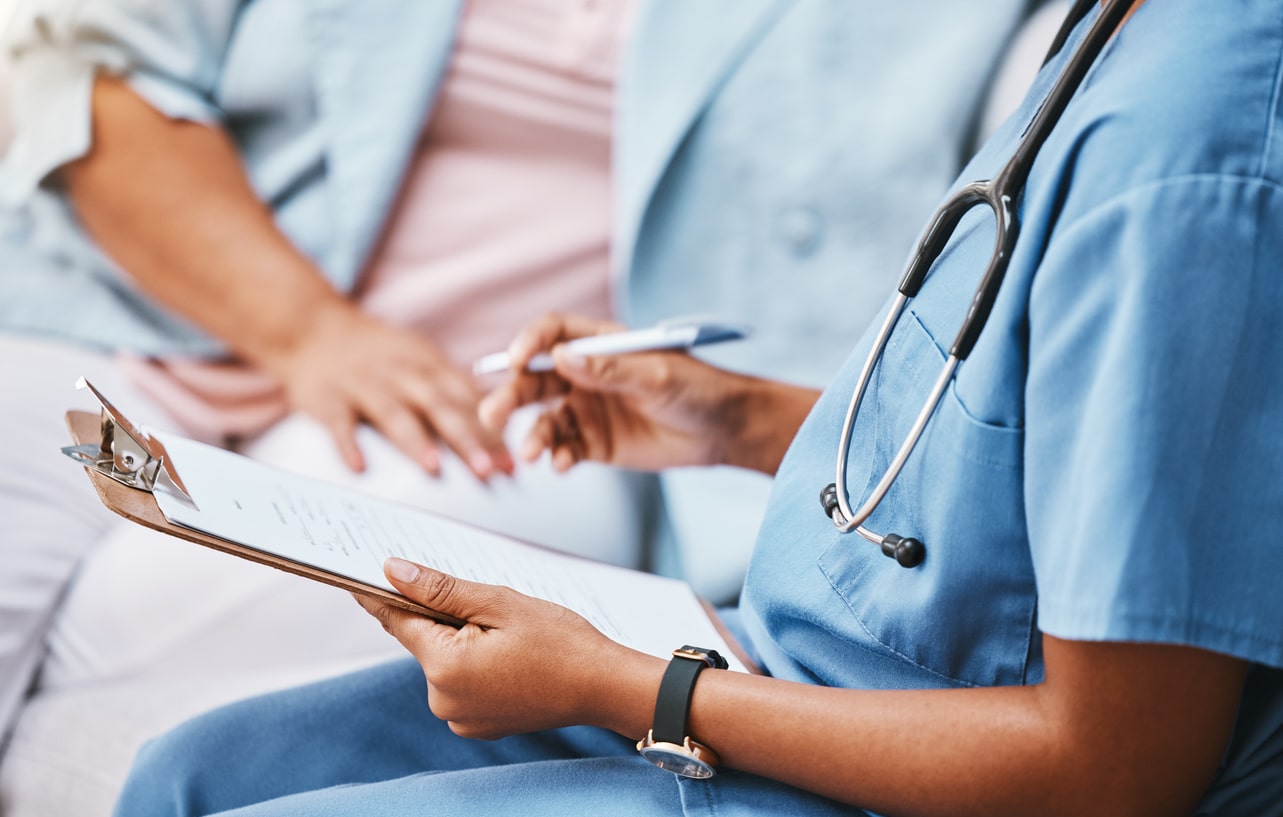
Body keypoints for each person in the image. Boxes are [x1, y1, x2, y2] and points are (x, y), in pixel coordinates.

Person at [108, 0, 1283, 815]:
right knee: (190, 777)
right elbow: (1038, 453)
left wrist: (622, 686)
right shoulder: (1113, 35)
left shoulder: (1187, 172)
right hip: (783, 665)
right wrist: (734, 420)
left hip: (885, 768)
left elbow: (1110, 771)